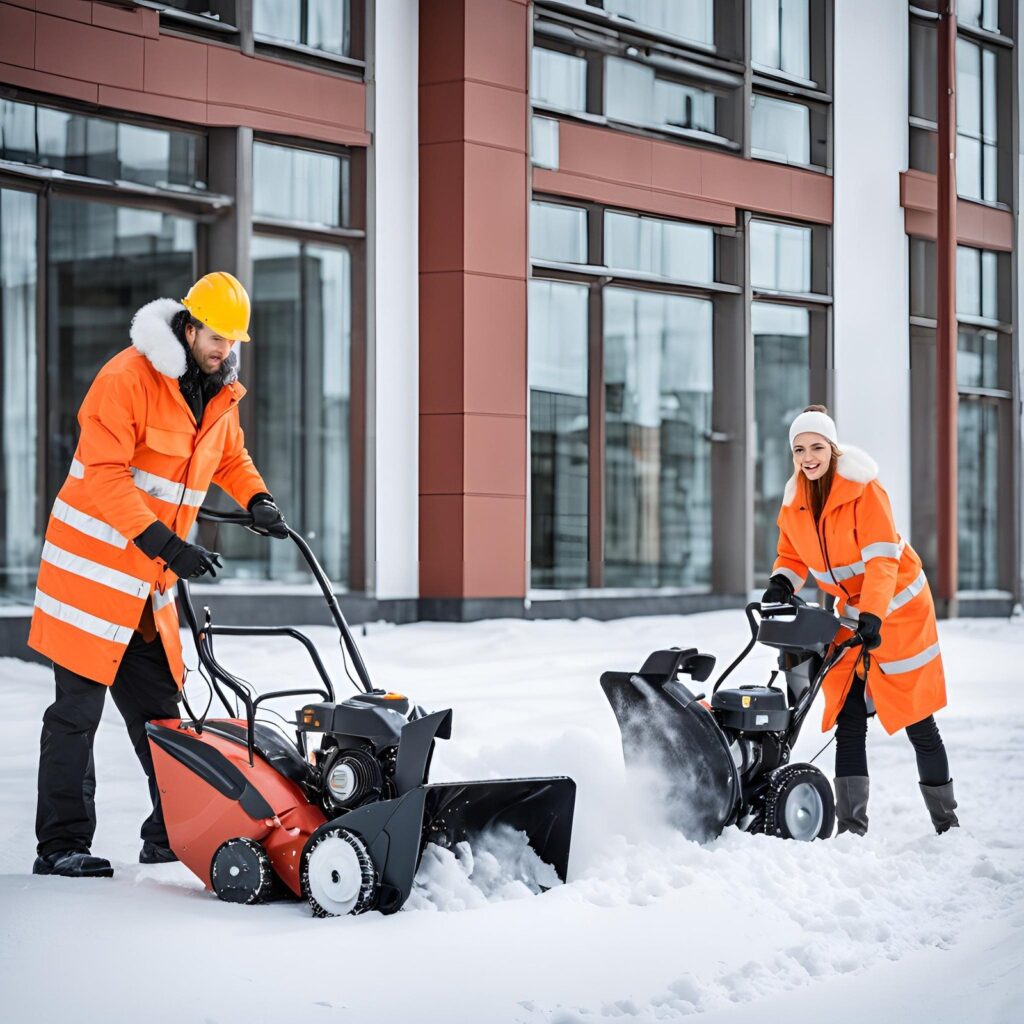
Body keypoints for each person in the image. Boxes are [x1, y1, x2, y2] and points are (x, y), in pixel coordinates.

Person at [28, 272, 290, 878]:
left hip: (147, 586)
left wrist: (258, 500)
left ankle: (167, 832)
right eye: (217, 337)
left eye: (234, 341)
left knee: (163, 713)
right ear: (189, 326)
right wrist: (170, 546)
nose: (226, 350)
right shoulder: (126, 378)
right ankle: (61, 845)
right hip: (90, 577)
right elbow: (106, 476)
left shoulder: (217, 392)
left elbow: (230, 455)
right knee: (76, 714)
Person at [762, 405, 959, 837]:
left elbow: (882, 560)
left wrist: (874, 613)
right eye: (799, 450)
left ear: (832, 449)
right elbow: (792, 555)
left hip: (901, 608)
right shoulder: (794, 499)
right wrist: (781, 582)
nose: (808, 457)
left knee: (917, 718)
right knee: (848, 713)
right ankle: (852, 832)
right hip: (853, 612)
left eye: (816, 447)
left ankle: (947, 825)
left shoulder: (863, 490)